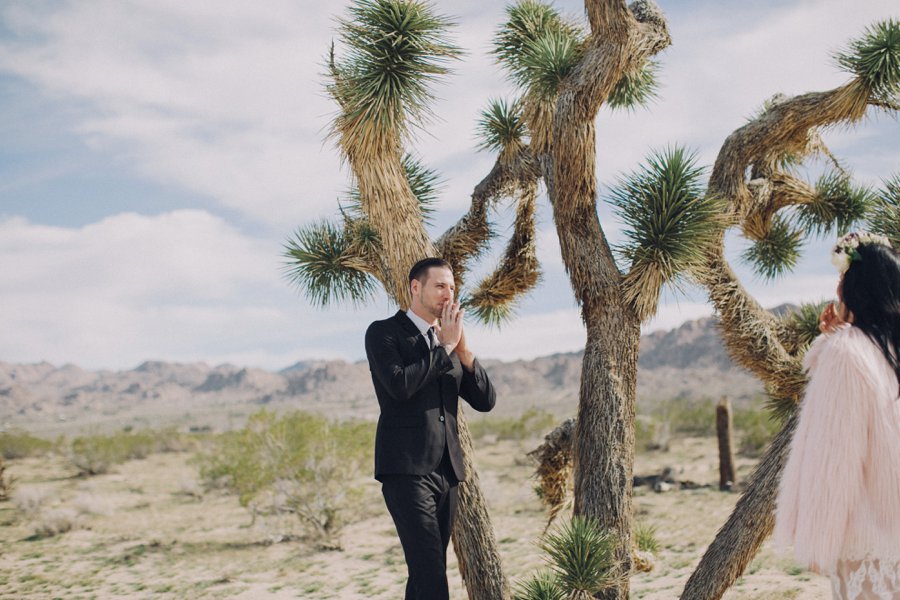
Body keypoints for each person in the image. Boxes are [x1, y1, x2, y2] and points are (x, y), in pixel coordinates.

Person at [774, 232, 900, 600]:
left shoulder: (847, 355)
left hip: (869, 544)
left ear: (856, 289)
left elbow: (836, 457)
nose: (837, 289)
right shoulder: (888, 351)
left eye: (842, 280)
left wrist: (818, 539)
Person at [365, 257, 496, 600]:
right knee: (430, 571)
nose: (448, 294)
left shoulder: (450, 344)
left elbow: (485, 401)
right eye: (440, 286)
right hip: (406, 469)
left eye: (452, 288)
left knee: (427, 573)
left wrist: (464, 352)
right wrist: (446, 347)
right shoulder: (384, 332)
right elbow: (400, 386)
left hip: (447, 471)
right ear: (415, 288)